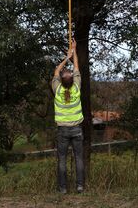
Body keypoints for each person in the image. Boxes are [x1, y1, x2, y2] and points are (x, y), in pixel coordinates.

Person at [51, 39, 84, 194]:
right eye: (68, 72)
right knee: (78, 158)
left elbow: (56, 71)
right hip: (77, 129)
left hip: (63, 130)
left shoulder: (57, 90)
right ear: (71, 80)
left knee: (62, 159)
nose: (67, 71)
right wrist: (74, 51)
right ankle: (79, 186)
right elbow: (76, 66)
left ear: (62, 81)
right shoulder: (77, 88)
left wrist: (66, 58)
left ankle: (63, 188)